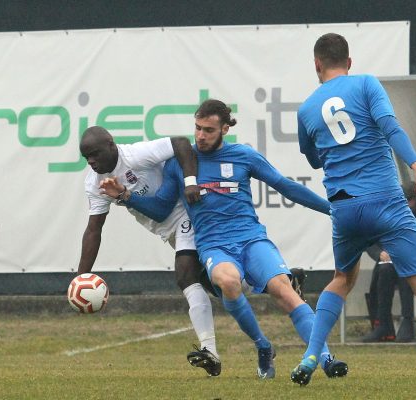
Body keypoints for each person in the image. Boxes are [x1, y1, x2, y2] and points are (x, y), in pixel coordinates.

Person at [99, 99, 348, 380]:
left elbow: (285, 186)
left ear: (225, 129)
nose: (200, 136)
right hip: (214, 245)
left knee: (284, 289)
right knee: (228, 282)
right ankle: (263, 345)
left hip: (252, 239)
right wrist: (126, 196)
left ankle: (325, 358)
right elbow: (160, 209)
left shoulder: (244, 156)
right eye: (197, 128)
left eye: (208, 130)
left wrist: (332, 209)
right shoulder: (180, 163)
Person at [291, 33, 416, 389]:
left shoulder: (306, 109)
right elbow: (390, 127)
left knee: (342, 279)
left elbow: (312, 157)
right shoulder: (366, 84)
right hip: (384, 200)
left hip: (344, 208)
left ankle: (312, 353)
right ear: (350, 63)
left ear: (317, 65)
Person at [77, 126, 221, 376]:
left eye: (95, 154)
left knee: (185, 276)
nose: (91, 161)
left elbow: (180, 142)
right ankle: (278, 282)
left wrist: (189, 182)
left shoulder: (134, 155)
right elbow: (94, 229)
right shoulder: (95, 183)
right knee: (217, 285)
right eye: (86, 157)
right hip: (167, 229)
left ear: (111, 145)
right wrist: (80, 277)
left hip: (185, 213)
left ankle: (210, 352)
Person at [363, 181, 416, 343]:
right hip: (393, 261)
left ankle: (407, 320)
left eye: (409, 200)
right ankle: (383, 324)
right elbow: (370, 240)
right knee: (385, 270)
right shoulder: (389, 209)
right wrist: (381, 253)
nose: (406, 205)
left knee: (406, 269)